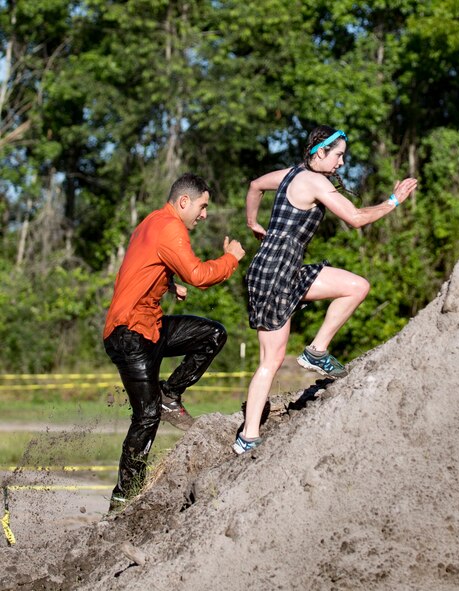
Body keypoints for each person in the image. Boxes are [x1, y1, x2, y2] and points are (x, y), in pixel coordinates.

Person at [233, 126, 418, 454]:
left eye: (343, 156)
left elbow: (255, 185)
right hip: (273, 273)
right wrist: (393, 200)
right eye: (337, 155)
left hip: (287, 269)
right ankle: (247, 437)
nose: (341, 163)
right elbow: (357, 218)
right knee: (271, 359)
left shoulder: (291, 174)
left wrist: (252, 222)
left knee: (356, 286)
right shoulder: (314, 181)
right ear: (318, 152)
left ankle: (316, 351)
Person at [103, 173, 246, 510]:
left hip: (149, 326)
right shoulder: (170, 227)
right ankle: (123, 499)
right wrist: (231, 260)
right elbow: (197, 275)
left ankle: (171, 394)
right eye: (203, 206)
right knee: (146, 415)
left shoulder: (152, 222)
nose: (204, 214)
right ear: (184, 201)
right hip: (129, 334)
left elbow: (139, 266)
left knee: (212, 334)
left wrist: (167, 283)